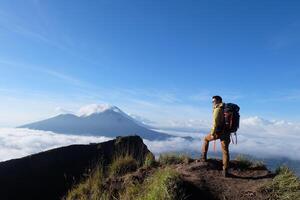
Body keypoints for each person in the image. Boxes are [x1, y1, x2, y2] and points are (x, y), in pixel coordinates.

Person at [201, 95, 230, 177]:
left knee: (206, 139)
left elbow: (215, 123)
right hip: (226, 132)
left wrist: (213, 133)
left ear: (218, 101)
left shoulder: (217, 109)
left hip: (218, 132)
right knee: (225, 151)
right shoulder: (225, 108)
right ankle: (225, 171)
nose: (212, 103)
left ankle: (203, 157)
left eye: (213, 101)